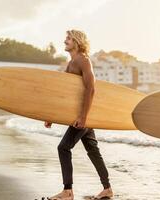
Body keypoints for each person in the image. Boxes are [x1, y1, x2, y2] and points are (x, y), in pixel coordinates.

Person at [45, 30, 113, 200]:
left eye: (68, 38)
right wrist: (52, 116)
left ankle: (68, 191)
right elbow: (66, 96)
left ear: (77, 41)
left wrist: (84, 118)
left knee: (63, 148)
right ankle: (107, 188)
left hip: (83, 115)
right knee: (93, 151)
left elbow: (91, 88)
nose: (64, 41)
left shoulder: (83, 60)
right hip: (81, 115)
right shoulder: (71, 63)